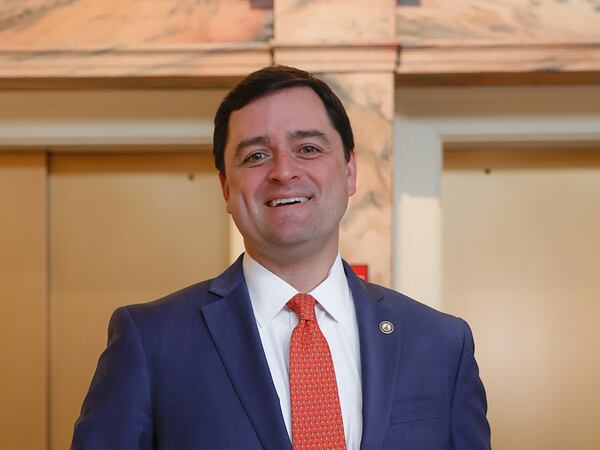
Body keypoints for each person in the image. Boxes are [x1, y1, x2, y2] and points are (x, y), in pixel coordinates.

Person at [71, 65, 491, 450]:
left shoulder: (440, 345)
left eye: (308, 148)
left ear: (349, 172)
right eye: (256, 155)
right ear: (225, 188)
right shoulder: (151, 341)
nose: (283, 171)